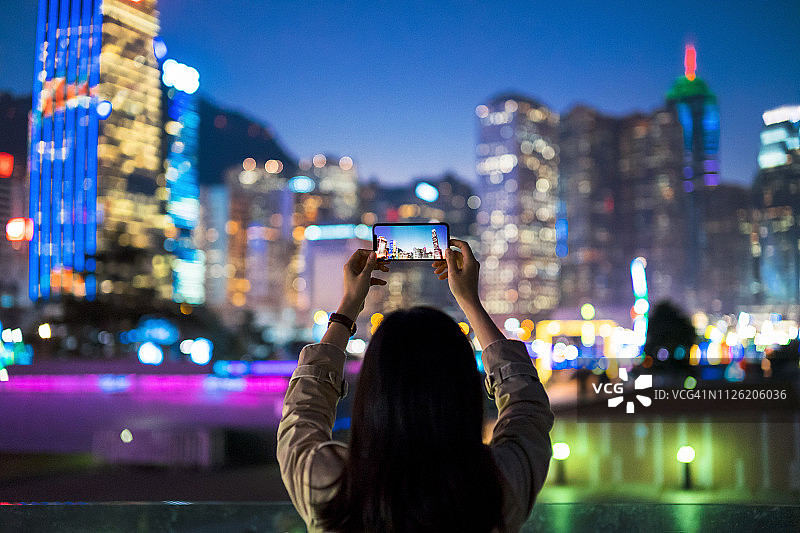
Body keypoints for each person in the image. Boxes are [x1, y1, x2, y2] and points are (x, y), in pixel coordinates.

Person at [277, 239, 554, 532]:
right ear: (464, 393)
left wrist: (347, 308)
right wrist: (471, 302)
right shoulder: (499, 485)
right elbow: (526, 404)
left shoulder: (329, 484)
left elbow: (303, 409)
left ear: (372, 392)